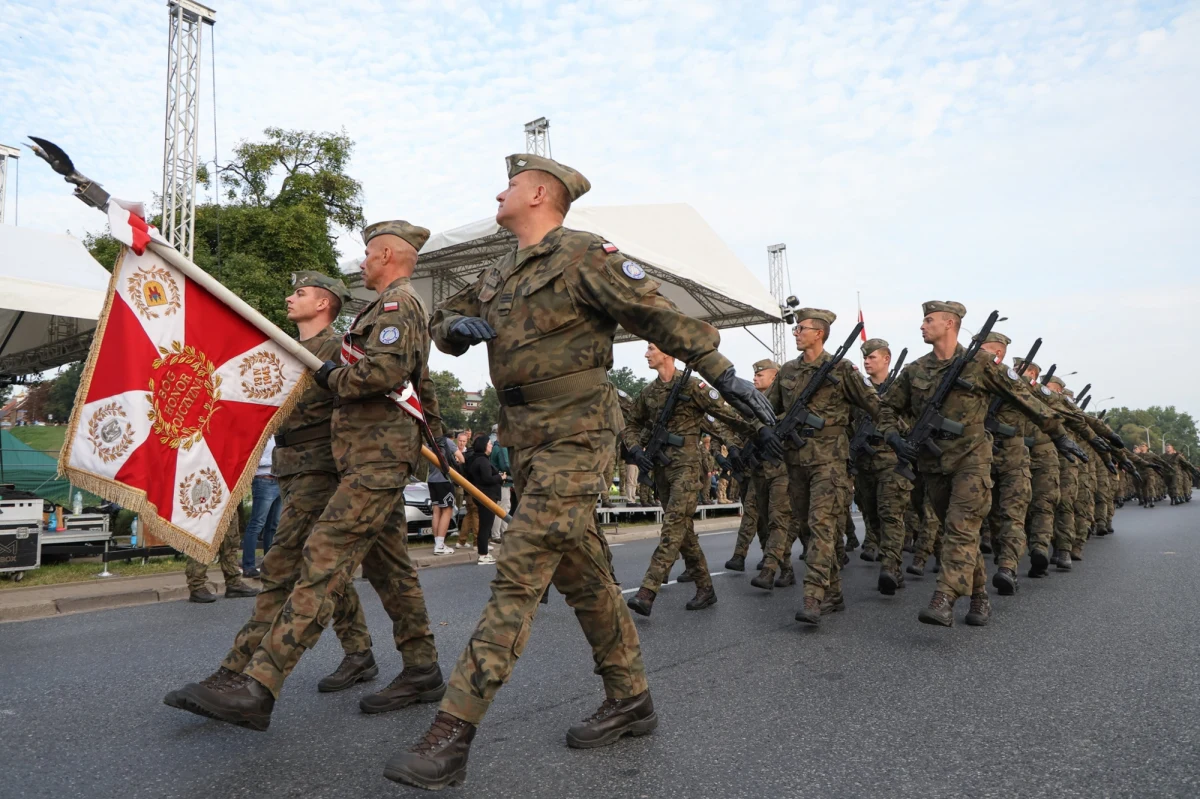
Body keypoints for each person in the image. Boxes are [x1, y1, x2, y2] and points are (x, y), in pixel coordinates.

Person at [384, 153, 777, 791]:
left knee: (520, 572)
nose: (499, 191)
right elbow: (441, 324)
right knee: (587, 577)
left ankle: (452, 731)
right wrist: (454, 326)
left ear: (539, 193)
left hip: (578, 433)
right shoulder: (498, 270)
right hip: (526, 438)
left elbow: (657, 314)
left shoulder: (585, 255)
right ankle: (632, 699)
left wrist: (723, 373)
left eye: (510, 184)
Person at [166, 220, 444, 731]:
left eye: (367, 253)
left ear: (386, 255)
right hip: (360, 458)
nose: (361, 262)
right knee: (390, 572)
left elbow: (384, 374)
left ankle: (257, 683)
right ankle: (421, 669)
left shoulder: (396, 305)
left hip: (374, 458)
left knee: (319, 561)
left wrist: (327, 375)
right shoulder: (381, 308)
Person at [166, 272, 377, 701]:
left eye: (299, 292)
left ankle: (239, 671)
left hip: (322, 468)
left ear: (324, 303)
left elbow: (361, 404)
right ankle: (360, 653)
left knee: (282, 567)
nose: (288, 297)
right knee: (321, 567)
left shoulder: (338, 349)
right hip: (290, 467)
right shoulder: (284, 348)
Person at [883, 301, 1085, 627]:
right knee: (964, 533)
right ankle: (979, 595)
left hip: (973, 460)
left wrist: (1059, 435)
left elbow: (1025, 398)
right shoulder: (915, 370)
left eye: (929, 320)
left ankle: (944, 598)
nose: (922, 325)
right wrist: (894, 438)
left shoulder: (980, 364)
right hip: (933, 464)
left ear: (950, 324)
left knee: (958, 528)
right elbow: (886, 410)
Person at [763, 309, 902, 624]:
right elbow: (768, 412)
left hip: (830, 462)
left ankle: (814, 597)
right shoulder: (786, 371)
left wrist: (895, 436)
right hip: (795, 460)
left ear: (819, 333)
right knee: (805, 529)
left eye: (802, 328)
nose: (795, 332)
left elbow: (874, 405)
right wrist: (767, 433)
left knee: (822, 525)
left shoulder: (841, 370)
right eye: (796, 327)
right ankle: (834, 592)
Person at [623, 343, 767, 615]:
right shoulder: (648, 393)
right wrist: (635, 449)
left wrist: (761, 431)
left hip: (687, 467)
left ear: (667, 352)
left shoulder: (693, 387)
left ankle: (647, 590)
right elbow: (631, 425)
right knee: (683, 531)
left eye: (651, 348)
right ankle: (705, 587)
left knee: (673, 524)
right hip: (661, 468)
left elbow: (726, 416)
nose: (646, 354)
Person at [851, 338, 912, 595]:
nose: (866, 362)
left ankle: (890, 566)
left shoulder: (900, 388)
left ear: (886, 359)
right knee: (872, 514)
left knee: (890, 514)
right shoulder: (857, 390)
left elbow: (913, 421)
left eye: (872, 357)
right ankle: (890, 564)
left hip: (891, 458)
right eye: (864, 358)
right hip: (864, 460)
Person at [185, 513, 259, 603]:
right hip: (205, 502)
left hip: (227, 501)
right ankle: (196, 586)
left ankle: (234, 583)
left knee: (231, 540)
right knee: (202, 539)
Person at [241, 438, 281, 577]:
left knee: (273, 526)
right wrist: (275, 461)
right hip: (264, 480)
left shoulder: (277, 434)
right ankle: (248, 566)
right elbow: (252, 458)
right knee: (257, 524)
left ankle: (269, 564)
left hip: (279, 480)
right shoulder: (262, 434)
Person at [465, 435, 502, 564]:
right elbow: (487, 479)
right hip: (487, 496)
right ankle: (483, 554)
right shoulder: (483, 461)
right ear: (484, 445)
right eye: (489, 443)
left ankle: (483, 551)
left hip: (482, 495)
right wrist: (500, 478)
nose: (491, 446)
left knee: (485, 525)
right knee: (486, 525)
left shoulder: (476, 459)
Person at [427, 433, 459, 555]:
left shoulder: (429, 442)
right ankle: (440, 545)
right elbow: (461, 458)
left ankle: (437, 543)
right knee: (447, 510)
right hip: (445, 479)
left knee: (436, 511)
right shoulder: (446, 442)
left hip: (431, 479)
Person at [456, 430, 480, 549]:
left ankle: (461, 540)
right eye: (460, 441)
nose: (461, 443)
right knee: (475, 513)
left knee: (469, 514)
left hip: (466, 487)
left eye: (464, 441)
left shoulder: (467, 454)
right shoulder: (470, 456)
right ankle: (476, 542)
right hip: (471, 486)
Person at [488, 426, 511, 539]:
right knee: (503, 508)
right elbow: (505, 465)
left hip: (497, 481)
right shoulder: (502, 447)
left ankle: (498, 533)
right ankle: (499, 534)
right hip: (503, 482)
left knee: (499, 508)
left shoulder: (495, 446)